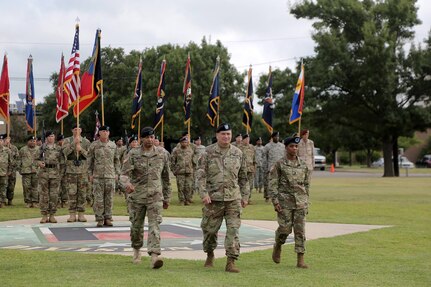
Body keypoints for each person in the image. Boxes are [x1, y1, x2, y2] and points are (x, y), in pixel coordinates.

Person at [196, 123, 249, 273]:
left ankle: (231, 261)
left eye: (228, 134)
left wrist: (245, 196)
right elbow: (200, 176)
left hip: (233, 199)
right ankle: (210, 253)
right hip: (213, 200)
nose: (226, 137)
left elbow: (244, 177)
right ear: (217, 135)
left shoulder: (238, 153)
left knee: (233, 230)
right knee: (210, 231)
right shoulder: (207, 153)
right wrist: (204, 194)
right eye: (223, 134)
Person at [120, 126, 171, 269]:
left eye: (152, 137)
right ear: (141, 138)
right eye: (147, 137)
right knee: (136, 227)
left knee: (154, 226)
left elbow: (166, 177)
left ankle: (155, 256)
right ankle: (136, 250)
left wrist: (167, 197)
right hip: (137, 197)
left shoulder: (162, 154)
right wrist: (127, 184)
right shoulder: (133, 154)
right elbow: (123, 175)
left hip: (155, 197)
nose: (150, 139)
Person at [269, 134, 310, 269]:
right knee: (285, 229)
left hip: (300, 202)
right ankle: (278, 245)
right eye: (292, 146)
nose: (294, 148)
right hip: (284, 202)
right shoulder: (279, 164)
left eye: (296, 146)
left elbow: (306, 185)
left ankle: (300, 258)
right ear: (286, 148)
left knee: (300, 231)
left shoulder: (303, 165)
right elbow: (273, 184)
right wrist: (275, 201)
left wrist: (306, 202)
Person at [88, 125, 120, 227]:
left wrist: (117, 173)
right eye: (103, 131)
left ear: (109, 133)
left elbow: (117, 160)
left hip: (110, 176)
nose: (105, 133)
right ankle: (99, 219)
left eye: (107, 131)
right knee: (98, 199)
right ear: (99, 133)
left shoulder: (113, 146)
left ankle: (108, 218)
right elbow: (90, 161)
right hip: (97, 176)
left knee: (109, 198)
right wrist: (90, 174)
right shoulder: (94, 145)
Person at [63, 125, 91, 222]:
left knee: (82, 193)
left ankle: (81, 214)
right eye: (75, 129)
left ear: (81, 130)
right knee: (71, 193)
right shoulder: (67, 141)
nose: (77, 131)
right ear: (72, 130)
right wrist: (73, 144)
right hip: (71, 171)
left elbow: (90, 156)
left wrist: (81, 150)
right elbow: (64, 153)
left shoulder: (86, 142)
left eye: (79, 129)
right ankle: (72, 214)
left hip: (82, 171)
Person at [36, 131, 63, 223]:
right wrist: (39, 163)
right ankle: (44, 215)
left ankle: (52, 215)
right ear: (46, 138)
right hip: (43, 173)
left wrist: (61, 173)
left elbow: (62, 161)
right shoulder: (41, 148)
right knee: (44, 195)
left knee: (54, 195)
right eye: (49, 136)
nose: (51, 138)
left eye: (52, 136)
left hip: (55, 173)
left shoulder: (59, 149)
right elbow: (35, 159)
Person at [170, 135, 194, 205]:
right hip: (180, 171)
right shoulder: (176, 150)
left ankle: (187, 200)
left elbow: (193, 160)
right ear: (180, 143)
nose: (184, 143)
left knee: (188, 186)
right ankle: (182, 200)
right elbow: (172, 161)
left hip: (189, 171)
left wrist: (193, 169)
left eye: (186, 142)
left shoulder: (190, 150)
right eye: (183, 142)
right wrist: (174, 170)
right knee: (181, 187)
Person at [18, 135, 40, 207]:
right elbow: (19, 160)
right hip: (26, 171)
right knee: (26, 187)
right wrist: (19, 169)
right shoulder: (22, 150)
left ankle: (35, 201)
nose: (33, 142)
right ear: (28, 142)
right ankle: (28, 202)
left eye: (34, 141)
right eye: (31, 141)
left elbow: (43, 160)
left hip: (36, 171)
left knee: (35, 187)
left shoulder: (39, 149)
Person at [263, 131, 285, 202]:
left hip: (280, 167)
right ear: (272, 137)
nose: (277, 138)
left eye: (278, 136)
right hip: (271, 167)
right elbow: (264, 157)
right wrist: (266, 168)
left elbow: (284, 157)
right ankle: (268, 197)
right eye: (275, 136)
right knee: (270, 183)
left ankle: (279, 196)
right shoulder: (267, 146)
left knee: (280, 183)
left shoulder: (282, 146)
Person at [239, 134, 256, 203]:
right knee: (242, 184)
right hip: (242, 169)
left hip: (250, 169)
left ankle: (248, 198)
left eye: (248, 139)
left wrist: (255, 168)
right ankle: (241, 198)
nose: (247, 140)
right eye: (246, 139)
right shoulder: (239, 148)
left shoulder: (252, 147)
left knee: (250, 185)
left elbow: (254, 159)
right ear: (243, 140)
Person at [5, 136, 18, 206]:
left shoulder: (14, 148)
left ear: (10, 139)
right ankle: (2, 201)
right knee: (3, 186)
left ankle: (10, 200)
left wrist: (14, 165)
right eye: (5, 139)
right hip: (3, 170)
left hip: (12, 170)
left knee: (11, 186)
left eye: (8, 139)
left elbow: (17, 158)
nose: (7, 140)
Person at [56, 134, 68, 208]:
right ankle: (58, 201)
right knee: (57, 185)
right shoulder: (56, 148)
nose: (62, 142)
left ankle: (65, 200)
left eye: (63, 140)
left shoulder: (66, 147)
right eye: (61, 140)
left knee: (65, 185)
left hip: (66, 168)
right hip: (58, 169)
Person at [0, 135, 11, 208]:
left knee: (3, 188)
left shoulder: (7, 150)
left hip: (4, 172)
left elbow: (10, 162)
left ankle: (2, 202)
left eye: (0, 141)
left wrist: (9, 171)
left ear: (3, 142)